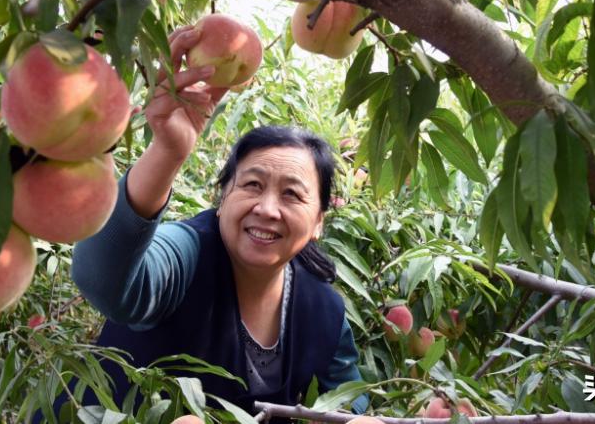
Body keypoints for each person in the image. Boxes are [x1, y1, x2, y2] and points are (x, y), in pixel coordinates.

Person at [41, 25, 369, 421]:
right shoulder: (188, 253)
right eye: (252, 184)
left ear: (318, 221)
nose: (267, 208)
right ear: (221, 199)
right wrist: (167, 151)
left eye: (291, 194)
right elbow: (104, 282)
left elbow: (349, 404)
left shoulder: (324, 313)